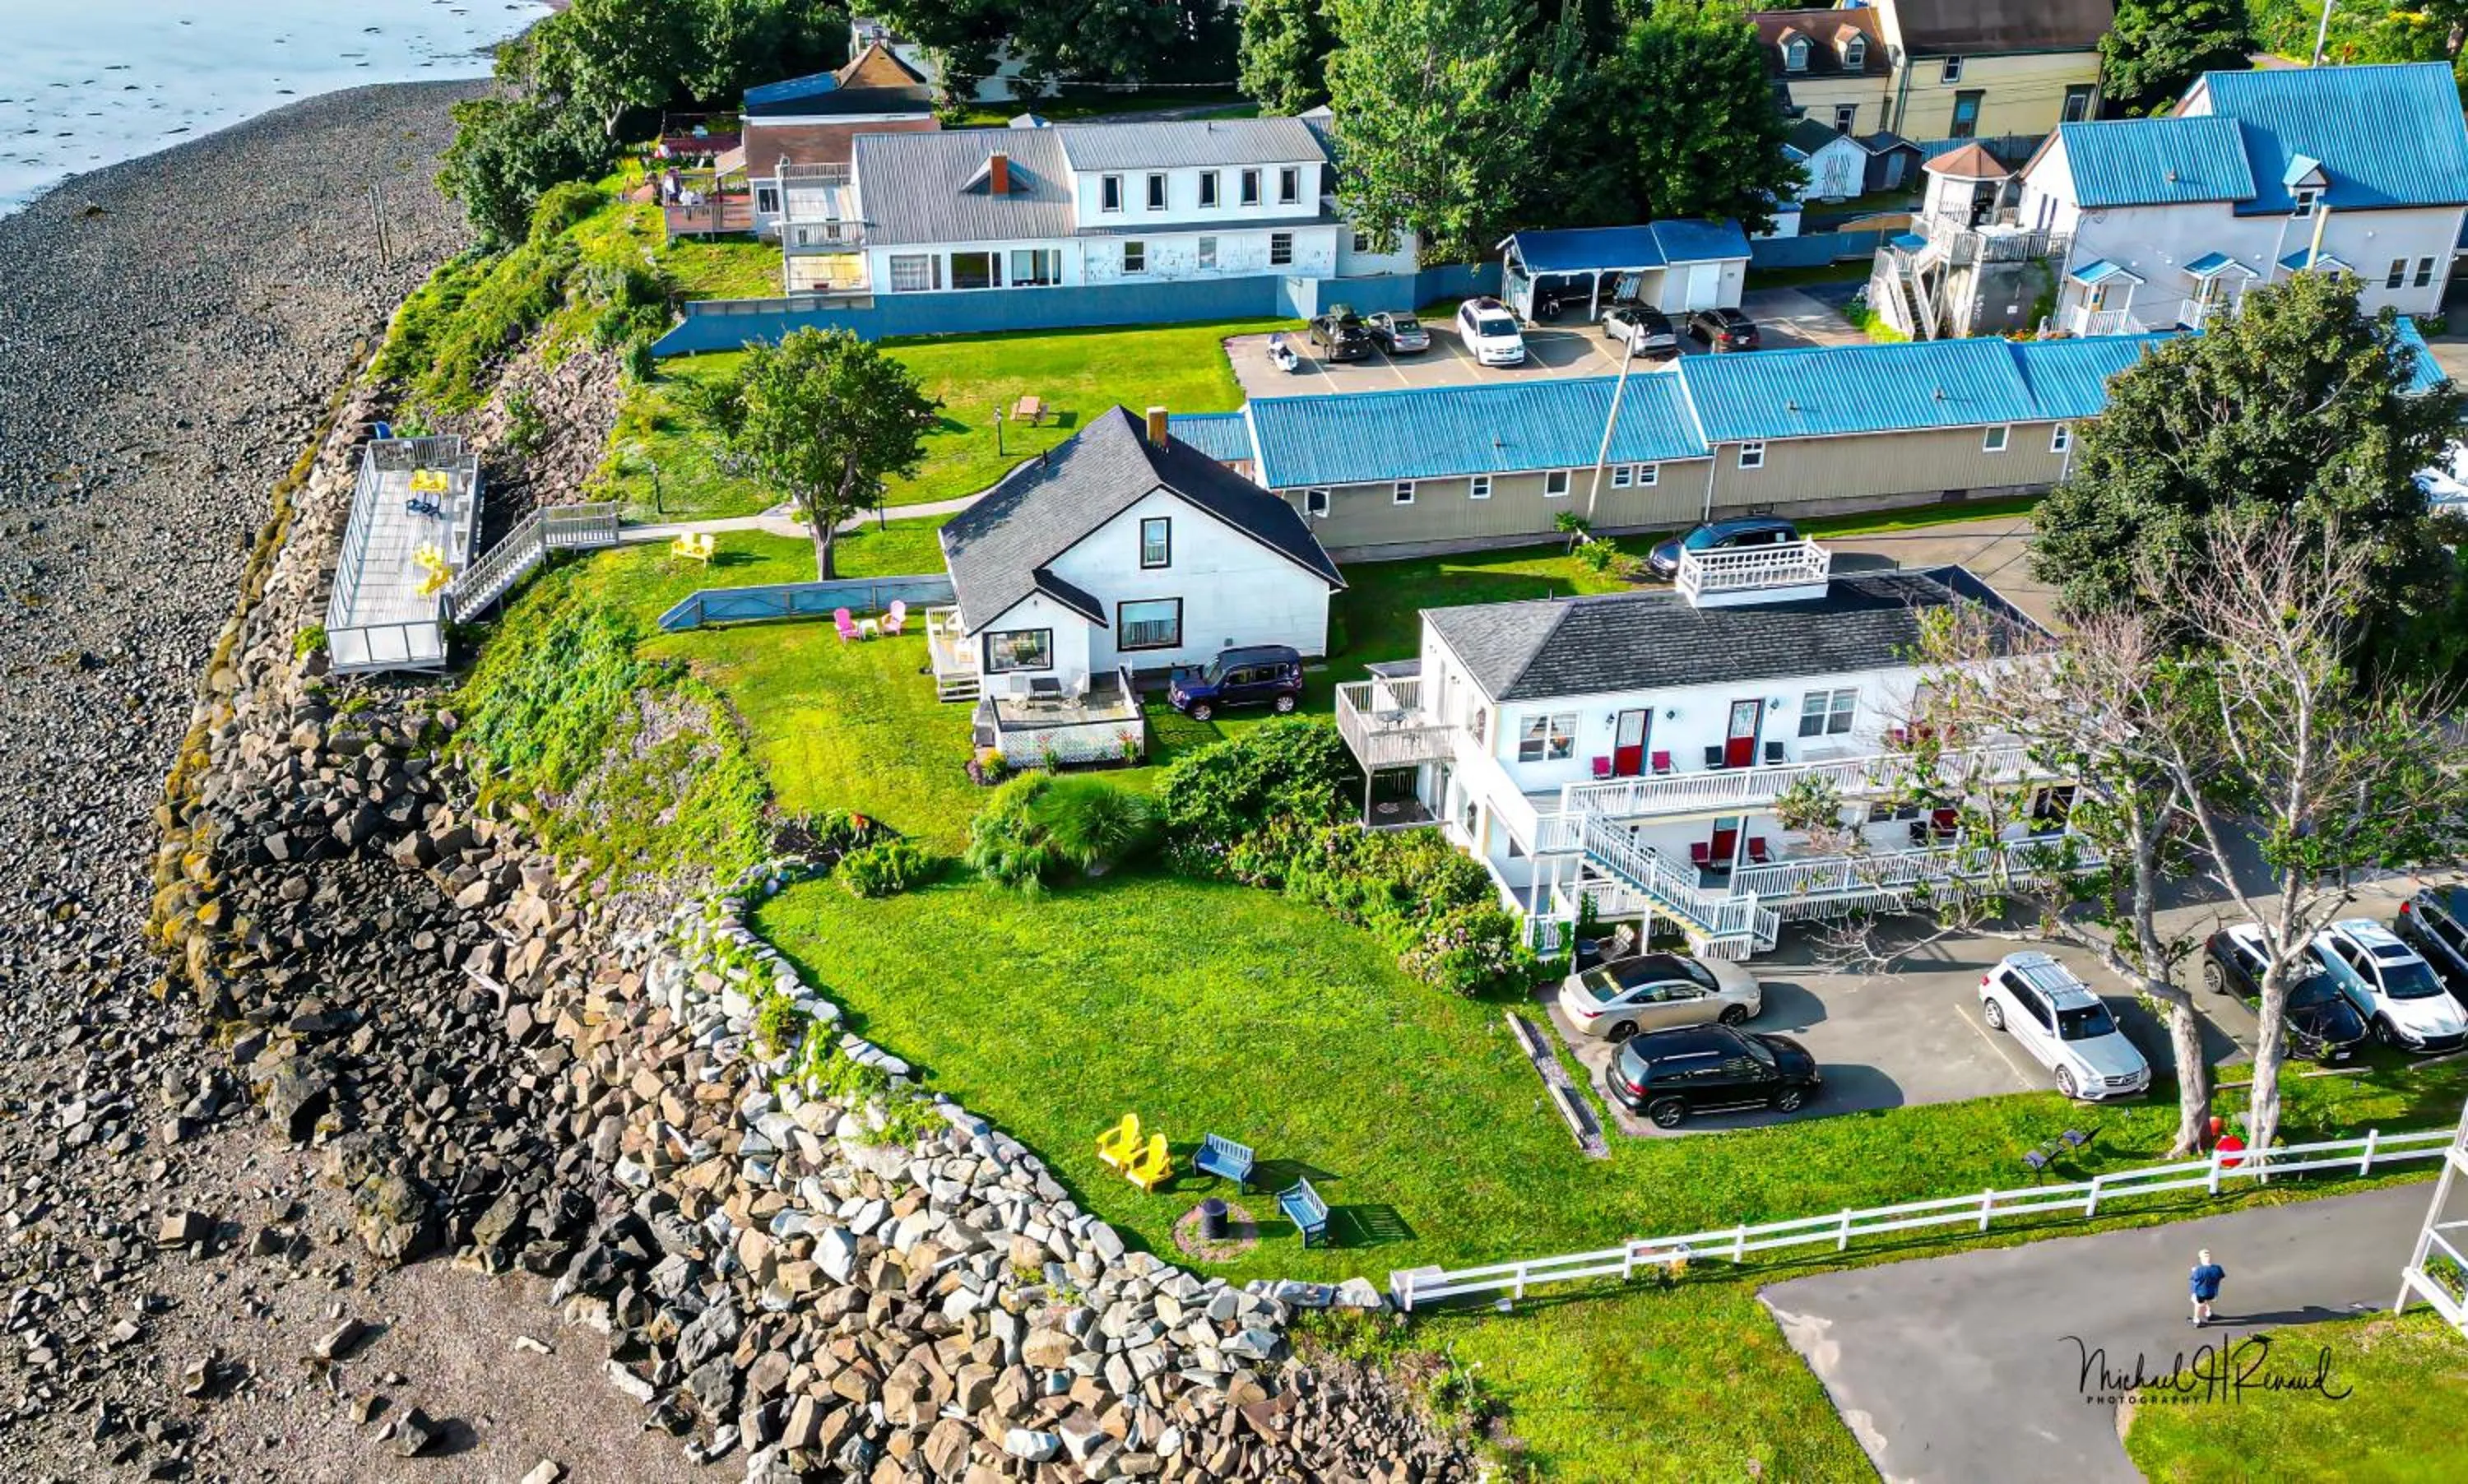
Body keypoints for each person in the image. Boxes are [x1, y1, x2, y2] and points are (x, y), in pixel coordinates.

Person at [2189, 1248, 2226, 1326]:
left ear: (2201, 1258)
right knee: (2209, 1301)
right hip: (2212, 1291)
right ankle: (2209, 1314)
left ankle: (2196, 1320)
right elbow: (2221, 1276)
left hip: (2200, 1292)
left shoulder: (2198, 1270)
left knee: (2198, 1305)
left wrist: (2194, 1271)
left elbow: (2195, 1280)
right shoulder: (2217, 1268)